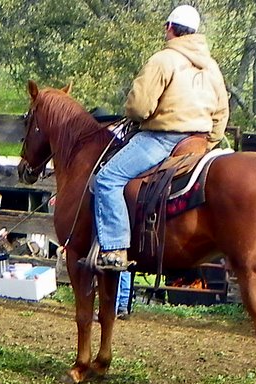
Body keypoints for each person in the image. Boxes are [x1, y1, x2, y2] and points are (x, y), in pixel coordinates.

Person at [92, 4, 229, 271]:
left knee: (107, 179)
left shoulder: (163, 60)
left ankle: (115, 248)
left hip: (162, 140)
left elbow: (139, 107)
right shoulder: (211, 67)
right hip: (198, 143)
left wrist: (137, 116)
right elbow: (221, 113)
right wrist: (208, 142)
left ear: (169, 28)